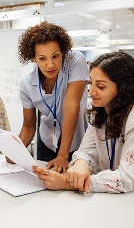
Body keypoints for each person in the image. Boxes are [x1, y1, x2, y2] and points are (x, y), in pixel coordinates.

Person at [33, 52, 134, 193]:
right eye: (91, 83)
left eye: (101, 87)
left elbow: (127, 178)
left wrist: (68, 183)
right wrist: (82, 163)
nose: (91, 91)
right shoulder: (100, 112)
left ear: (124, 89)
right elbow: (86, 150)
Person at [15, 21, 89, 173]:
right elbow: (29, 126)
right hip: (47, 141)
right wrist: (15, 152)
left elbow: (71, 104)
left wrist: (63, 155)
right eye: (42, 58)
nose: (50, 65)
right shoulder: (27, 84)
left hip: (77, 140)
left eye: (55, 56)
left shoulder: (75, 61)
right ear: (33, 57)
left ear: (62, 51)